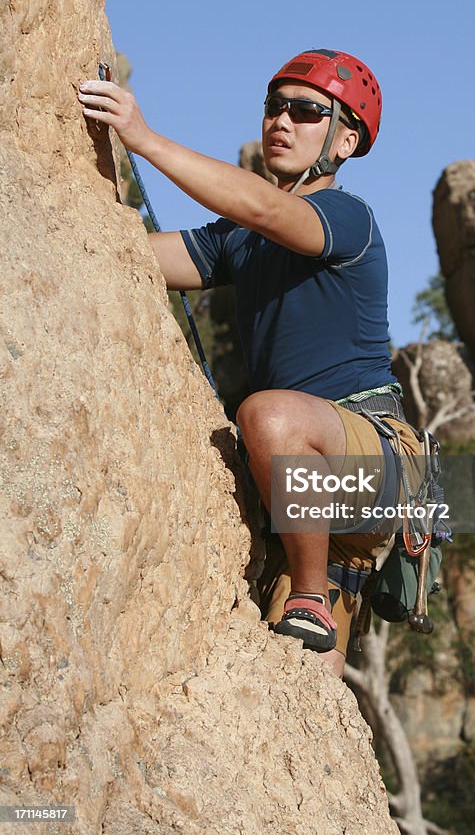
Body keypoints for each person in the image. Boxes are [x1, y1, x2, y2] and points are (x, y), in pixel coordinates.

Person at [78, 48, 422, 678]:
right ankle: (315, 602)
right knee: (298, 681)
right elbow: (132, 258)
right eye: (274, 107)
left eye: (306, 111)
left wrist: (143, 140)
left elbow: (264, 208)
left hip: (369, 460)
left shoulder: (347, 217)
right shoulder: (240, 241)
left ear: (345, 140)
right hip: (309, 505)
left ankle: (313, 599)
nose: (281, 121)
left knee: (267, 415)